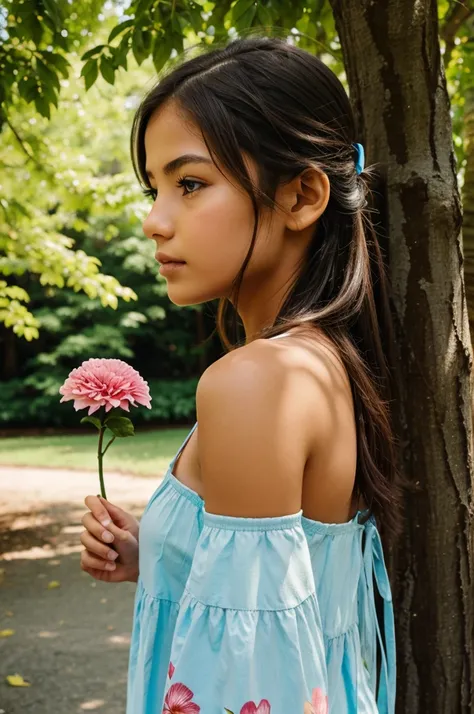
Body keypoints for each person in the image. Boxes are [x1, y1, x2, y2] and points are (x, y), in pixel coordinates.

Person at [79, 34, 401, 714]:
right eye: (155, 187)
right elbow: (296, 591)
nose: (153, 221)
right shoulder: (318, 364)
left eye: (190, 184)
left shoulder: (257, 382)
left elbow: (249, 689)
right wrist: (158, 554)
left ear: (302, 196)